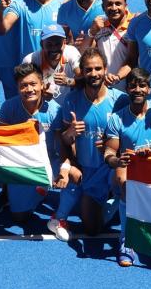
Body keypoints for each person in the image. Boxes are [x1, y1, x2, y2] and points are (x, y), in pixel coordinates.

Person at [48, 48, 128, 241]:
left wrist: (111, 148)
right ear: (82, 72)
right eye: (89, 70)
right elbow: (64, 141)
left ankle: (120, 202)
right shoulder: (72, 101)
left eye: (98, 68)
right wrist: (70, 134)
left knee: (124, 182)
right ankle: (111, 203)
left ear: (106, 69)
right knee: (92, 229)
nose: (94, 74)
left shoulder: (121, 100)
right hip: (89, 170)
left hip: (112, 169)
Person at [104, 68, 151, 267]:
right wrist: (116, 161)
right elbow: (110, 151)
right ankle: (127, 241)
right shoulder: (117, 118)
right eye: (133, 85)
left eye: (142, 85)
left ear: (150, 89)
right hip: (132, 168)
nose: (137, 89)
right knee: (123, 182)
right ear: (126, 89)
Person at [0, 63, 63, 223]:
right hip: (22, 163)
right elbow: (2, 141)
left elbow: (62, 145)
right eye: (23, 85)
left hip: (49, 161)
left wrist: (64, 169)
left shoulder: (55, 110)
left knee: (73, 174)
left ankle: (57, 204)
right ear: (17, 87)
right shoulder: (8, 107)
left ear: (42, 84)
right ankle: (15, 192)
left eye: (33, 84)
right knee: (20, 218)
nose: (29, 89)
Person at [82, 0, 136, 91]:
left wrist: (117, 77)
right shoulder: (98, 26)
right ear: (103, 7)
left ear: (126, 5)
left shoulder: (134, 24)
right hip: (105, 91)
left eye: (118, 4)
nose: (114, 8)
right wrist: (92, 32)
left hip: (131, 90)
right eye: (109, 4)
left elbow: (132, 60)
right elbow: (84, 54)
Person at [22, 24, 81, 103]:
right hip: (39, 107)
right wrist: (40, 92)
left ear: (64, 43)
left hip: (66, 106)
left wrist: (68, 81)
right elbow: (22, 87)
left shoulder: (71, 52)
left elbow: (84, 80)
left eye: (58, 44)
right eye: (49, 44)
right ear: (42, 44)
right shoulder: (30, 60)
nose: (54, 48)